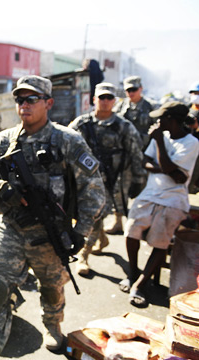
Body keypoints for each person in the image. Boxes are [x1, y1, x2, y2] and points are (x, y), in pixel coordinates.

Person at [0, 75, 105, 359]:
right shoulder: (3, 140)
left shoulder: (67, 140)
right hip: (11, 227)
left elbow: (92, 189)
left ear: (48, 103)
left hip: (49, 231)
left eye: (32, 99)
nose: (24, 105)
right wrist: (2, 188)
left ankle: (53, 326)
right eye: (20, 99)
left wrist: (81, 231)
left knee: (52, 288)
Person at [121, 102, 199, 307]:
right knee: (131, 231)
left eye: (160, 118)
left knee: (160, 242)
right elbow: (146, 162)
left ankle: (140, 284)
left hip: (173, 199)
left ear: (171, 120)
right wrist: (167, 169)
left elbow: (179, 179)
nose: (156, 122)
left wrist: (161, 150)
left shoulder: (190, 143)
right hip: (150, 194)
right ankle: (133, 273)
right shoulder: (160, 137)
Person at [69, 82, 146, 275]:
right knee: (87, 215)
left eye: (109, 98)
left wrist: (138, 180)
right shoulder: (82, 124)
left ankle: (83, 255)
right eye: (101, 98)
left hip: (111, 181)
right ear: (94, 100)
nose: (105, 101)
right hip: (83, 181)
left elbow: (136, 153)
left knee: (94, 216)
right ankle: (102, 239)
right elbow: (65, 146)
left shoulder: (123, 126)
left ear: (114, 101)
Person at [109, 76, 157, 235]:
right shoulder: (121, 106)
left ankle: (141, 224)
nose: (130, 93)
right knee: (119, 190)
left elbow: (158, 133)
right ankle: (118, 222)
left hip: (143, 156)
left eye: (133, 89)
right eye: (128, 90)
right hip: (123, 156)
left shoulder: (150, 107)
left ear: (140, 89)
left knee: (141, 189)